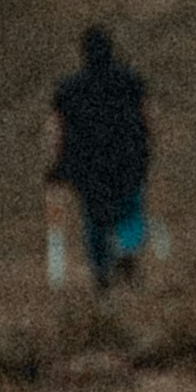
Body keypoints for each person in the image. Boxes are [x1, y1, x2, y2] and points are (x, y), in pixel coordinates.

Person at [45, 25, 153, 289]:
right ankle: (127, 248)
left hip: (86, 165)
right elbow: (146, 116)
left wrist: (55, 164)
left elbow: (57, 129)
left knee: (94, 220)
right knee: (130, 210)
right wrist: (149, 146)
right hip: (128, 159)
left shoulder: (68, 89)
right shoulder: (129, 80)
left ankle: (100, 270)